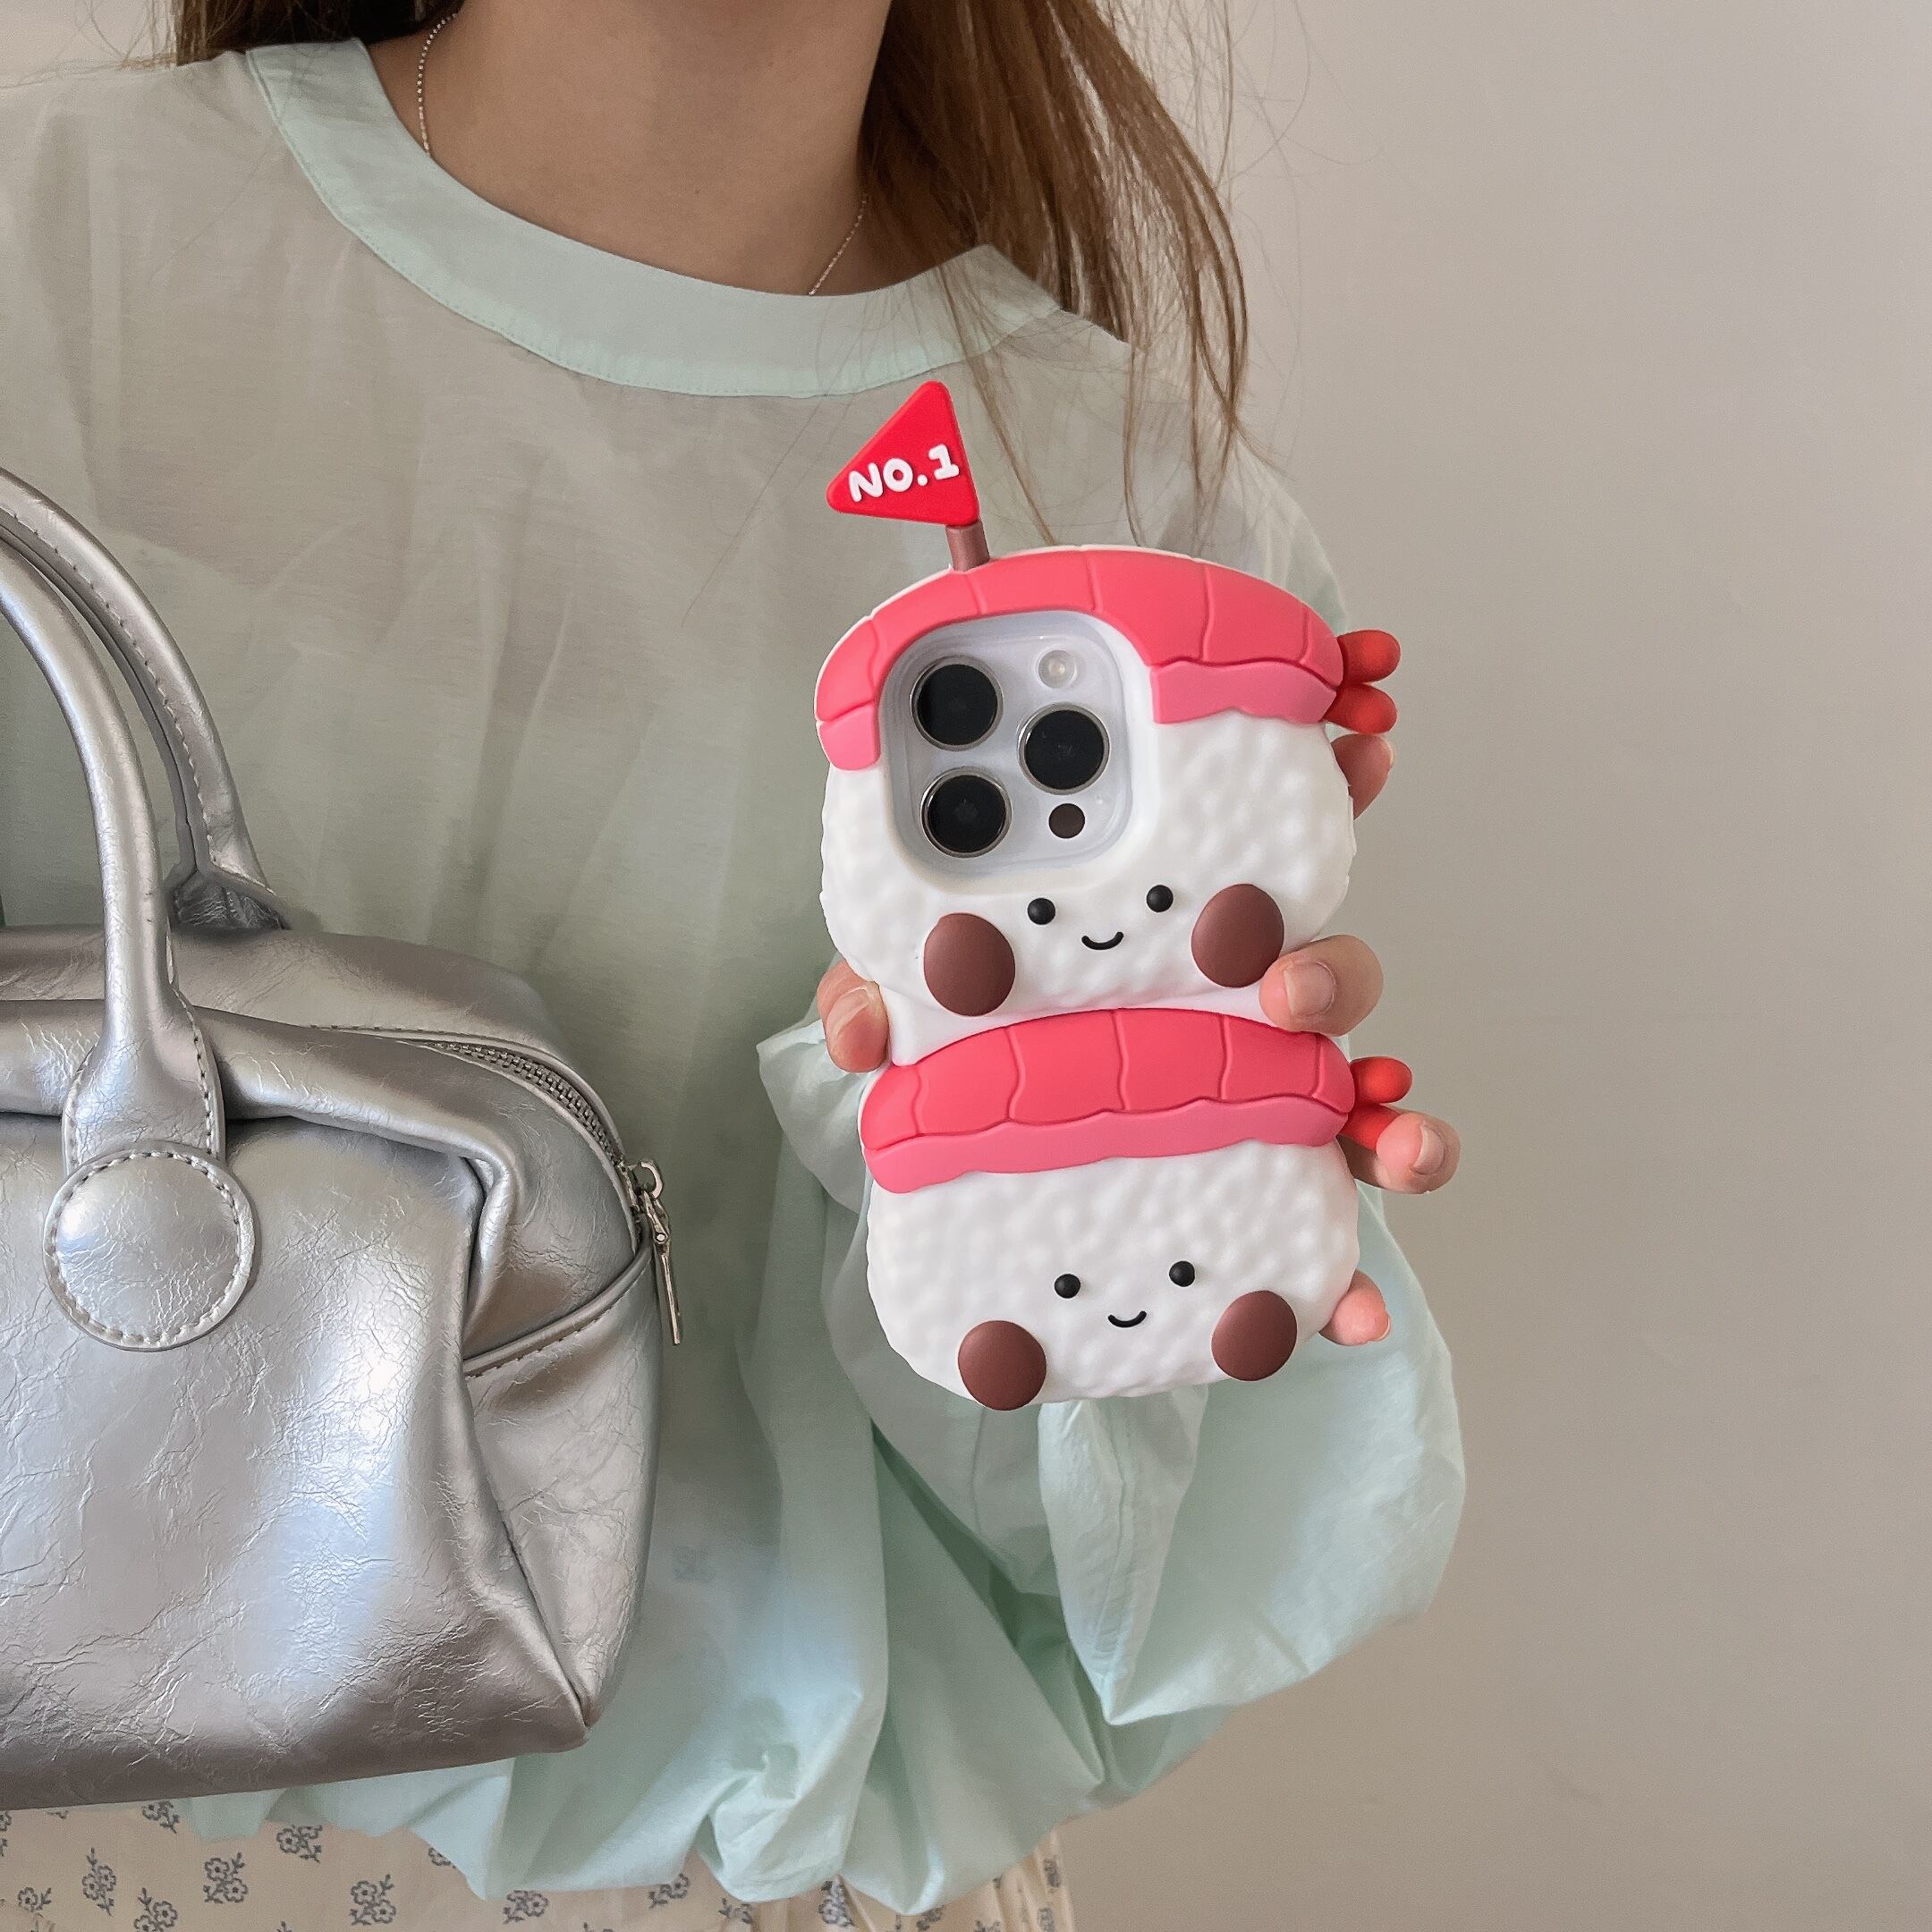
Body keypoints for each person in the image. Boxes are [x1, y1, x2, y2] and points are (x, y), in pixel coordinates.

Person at [0, 1, 1464, 1925]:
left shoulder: (1143, 515)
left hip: (770, 1878)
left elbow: (1086, 1568)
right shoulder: (47, 244)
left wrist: (1104, 1213)